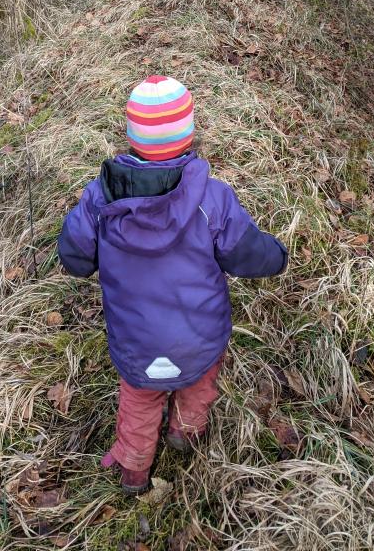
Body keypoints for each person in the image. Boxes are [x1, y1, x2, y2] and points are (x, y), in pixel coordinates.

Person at [57, 75, 288, 495]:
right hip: (201, 337)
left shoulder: (99, 200)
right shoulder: (213, 200)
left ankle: (133, 468)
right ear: (190, 133)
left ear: (130, 136)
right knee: (199, 385)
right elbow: (247, 254)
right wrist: (279, 255)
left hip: (137, 342)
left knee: (139, 404)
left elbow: (74, 258)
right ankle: (185, 432)